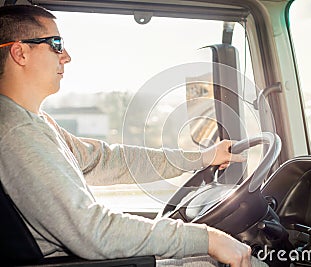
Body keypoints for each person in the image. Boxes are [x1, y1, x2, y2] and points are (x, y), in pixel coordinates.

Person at [0, 4, 268, 267]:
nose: (66, 56)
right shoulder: (16, 132)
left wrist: (201, 157)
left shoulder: (35, 121)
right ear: (20, 53)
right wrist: (208, 238)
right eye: (56, 43)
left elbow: (106, 160)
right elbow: (93, 232)